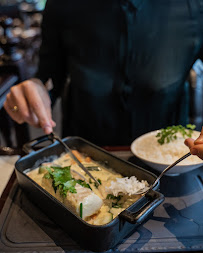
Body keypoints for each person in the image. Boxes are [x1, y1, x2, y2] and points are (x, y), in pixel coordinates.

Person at [3, 0, 203, 146]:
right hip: (87, 156)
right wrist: (34, 92)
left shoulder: (195, 7)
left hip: (169, 157)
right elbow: (49, 77)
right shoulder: (62, 5)